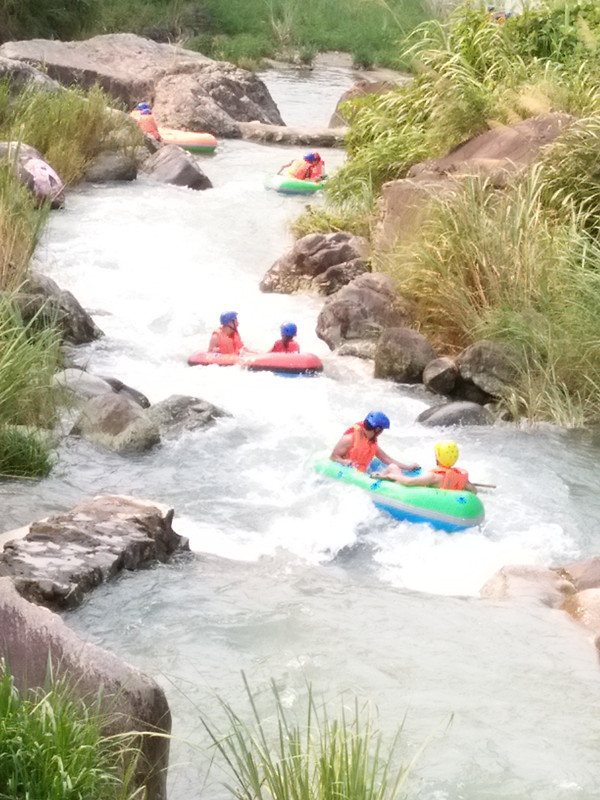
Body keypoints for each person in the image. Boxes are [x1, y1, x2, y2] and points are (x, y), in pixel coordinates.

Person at [330, 411, 420, 474]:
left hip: (361, 472)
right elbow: (333, 457)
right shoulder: (349, 438)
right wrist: (344, 462)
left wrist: (408, 467)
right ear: (377, 429)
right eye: (382, 430)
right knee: (392, 469)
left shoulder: (370, 441)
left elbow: (387, 459)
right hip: (347, 472)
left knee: (393, 468)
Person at [376, 440, 478, 493]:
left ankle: (376, 484)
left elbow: (408, 482)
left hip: (412, 493)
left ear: (438, 456)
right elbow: (474, 490)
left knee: (393, 467)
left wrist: (394, 476)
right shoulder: (462, 478)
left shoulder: (433, 477)